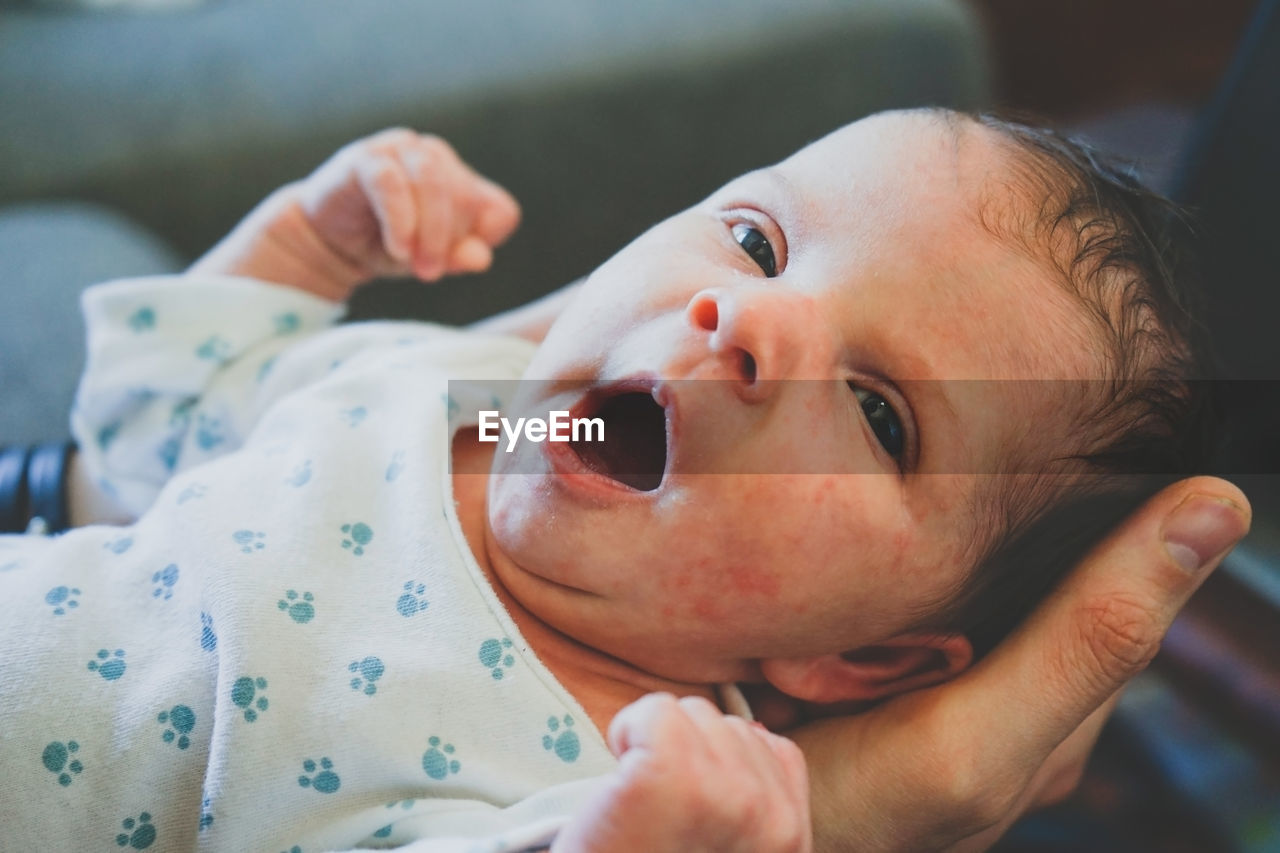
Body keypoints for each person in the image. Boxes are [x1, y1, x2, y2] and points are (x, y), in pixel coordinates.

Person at [0, 109, 1251, 852]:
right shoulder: (469, 393)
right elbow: (155, 420)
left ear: (858, 663)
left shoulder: (610, 766)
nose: (749, 318)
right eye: (758, 238)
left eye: (878, 412)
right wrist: (303, 244)